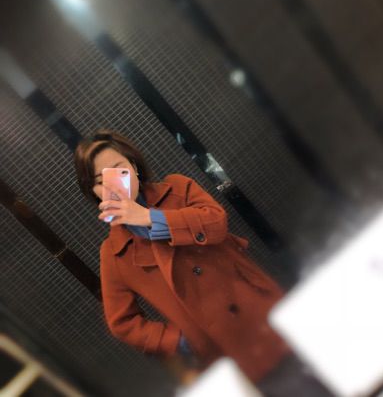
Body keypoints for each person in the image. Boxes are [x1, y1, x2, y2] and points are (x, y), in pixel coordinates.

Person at [73, 129, 292, 386]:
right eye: (101, 180)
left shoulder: (178, 188)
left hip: (261, 313)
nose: (114, 184)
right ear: (94, 191)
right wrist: (181, 339)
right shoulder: (114, 253)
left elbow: (216, 223)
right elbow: (122, 322)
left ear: (134, 166)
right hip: (223, 353)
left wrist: (149, 218)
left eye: (119, 170)